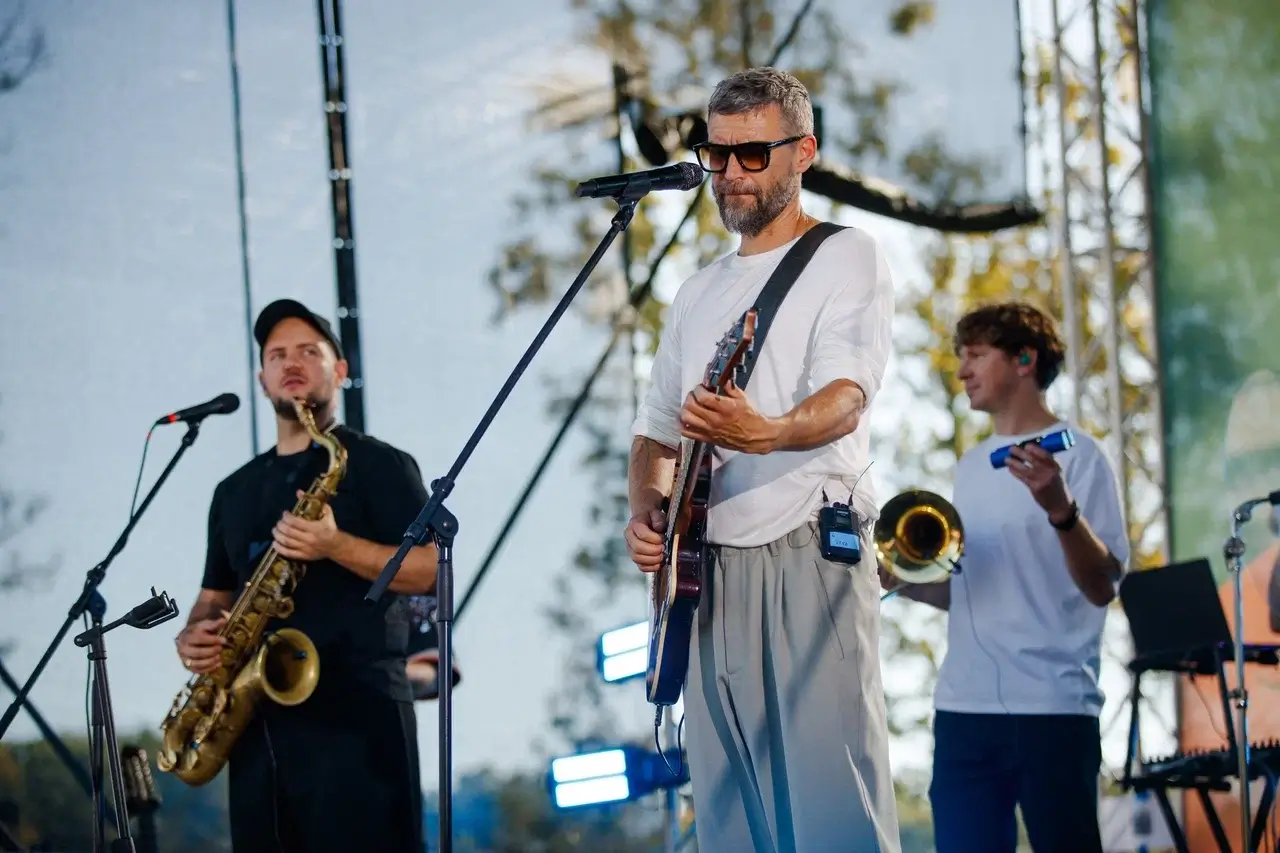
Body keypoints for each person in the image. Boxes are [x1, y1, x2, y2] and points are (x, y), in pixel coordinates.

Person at [624, 66, 900, 853]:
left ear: (803, 151)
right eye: (717, 154)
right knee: (729, 821)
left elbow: (847, 396)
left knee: (833, 811)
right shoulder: (695, 292)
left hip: (808, 549)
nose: (730, 173)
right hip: (701, 574)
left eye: (752, 154)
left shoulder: (846, 254)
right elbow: (655, 433)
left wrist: (768, 431)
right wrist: (648, 510)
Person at [173, 298, 437, 853]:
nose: (290, 363)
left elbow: (430, 569)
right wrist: (196, 633)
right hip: (256, 725)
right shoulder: (233, 491)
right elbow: (213, 596)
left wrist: (334, 545)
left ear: (339, 371)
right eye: (277, 355)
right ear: (261, 379)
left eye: (308, 352)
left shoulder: (380, 464)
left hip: (360, 719)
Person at [885, 301, 1128, 853]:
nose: (962, 371)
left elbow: (1102, 586)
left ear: (1024, 359)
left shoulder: (1083, 457)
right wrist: (904, 579)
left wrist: (1060, 509)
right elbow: (969, 590)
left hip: (1052, 708)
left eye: (976, 355)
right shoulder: (971, 466)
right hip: (963, 711)